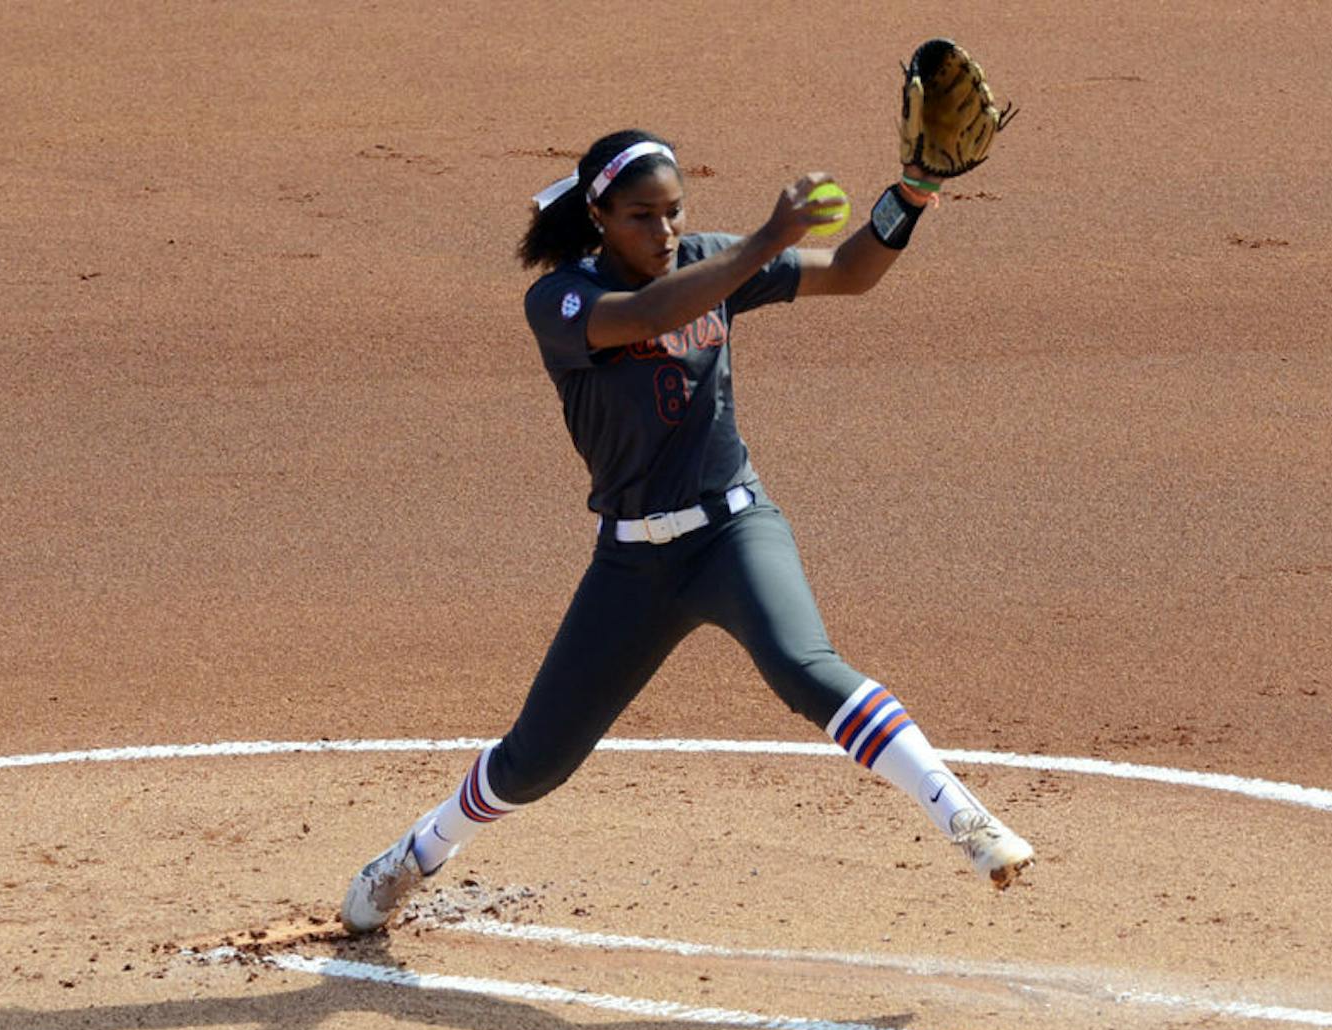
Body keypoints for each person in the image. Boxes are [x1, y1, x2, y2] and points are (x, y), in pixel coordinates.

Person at [340, 128, 1033, 934]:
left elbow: (850, 272)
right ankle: (413, 855)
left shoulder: (710, 261)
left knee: (804, 666)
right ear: (599, 215)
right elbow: (647, 313)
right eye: (642, 216)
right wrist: (771, 235)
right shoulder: (561, 300)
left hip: (733, 533)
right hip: (632, 566)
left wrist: (909, 194)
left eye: (675, 213)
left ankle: (966, 818)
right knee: (537, 760)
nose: (665, 232)